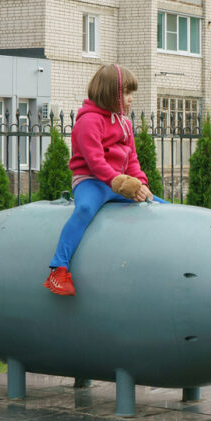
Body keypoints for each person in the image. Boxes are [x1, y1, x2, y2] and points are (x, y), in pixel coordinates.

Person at [44, 64, 155, 297]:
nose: (131, 99)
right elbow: (95, 162)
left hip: (119, 183)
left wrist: (141, 183)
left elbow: (132, 158)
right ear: (109, 93)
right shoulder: (89, 121)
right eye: (126, 93)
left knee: (154, 205)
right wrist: (120, 183)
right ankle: (58, 268)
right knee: (84, 209)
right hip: (91, 181)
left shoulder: (124, 122)